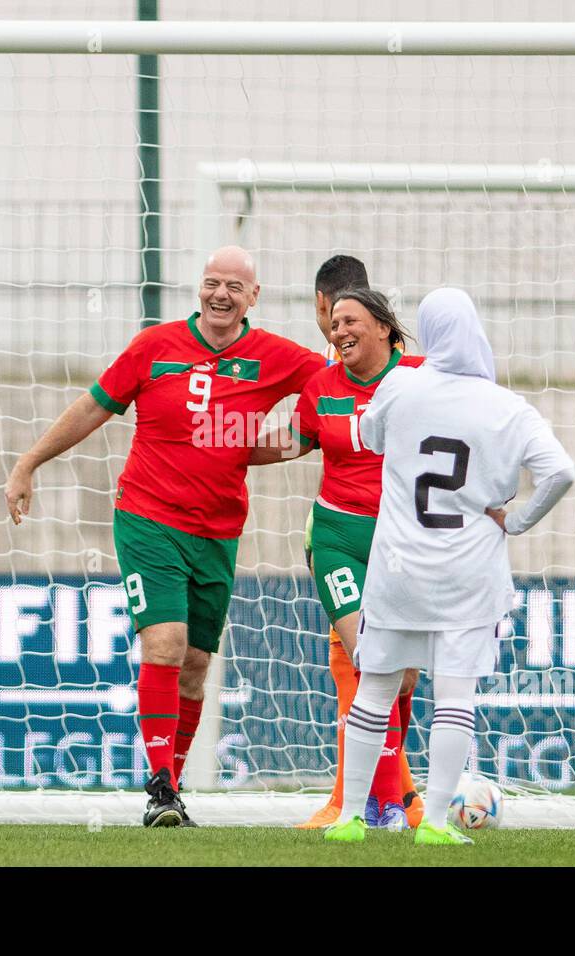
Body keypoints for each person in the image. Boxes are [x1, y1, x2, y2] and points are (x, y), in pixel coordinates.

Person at [5, 245, 326, 827]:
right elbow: (92, 407)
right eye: (211, 283)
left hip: (219, 531)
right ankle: (160, 791)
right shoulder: (154, 347)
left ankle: (171, 790)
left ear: (254, 297)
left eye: (234, 285)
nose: (221, 294)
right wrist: (29, 462)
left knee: (198, 663)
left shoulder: (276, 357)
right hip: (147, 518)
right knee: (166, 645)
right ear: (198, 289)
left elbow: (332, 391)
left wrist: (282, 445)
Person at [323, 287, 575, 846]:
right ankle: (435, 824)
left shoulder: (402, 385)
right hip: (467, 577)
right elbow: (561, 472)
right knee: (456, 696)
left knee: (374, 692)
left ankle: (349, 820)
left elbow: (366, 437)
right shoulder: (508, 407)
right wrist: (516, 520)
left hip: (397, 572)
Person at [253, 284, 424, 830]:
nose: (339, 331)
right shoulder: (322, 385)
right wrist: (217, 443)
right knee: (371, 659)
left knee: (402, 681)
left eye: (350, 321)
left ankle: (392, 795)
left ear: (382, 326)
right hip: (336, 538)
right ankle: (385, 808)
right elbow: (294, 440)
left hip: (403, 543)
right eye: (334, 324)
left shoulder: (422, 377)